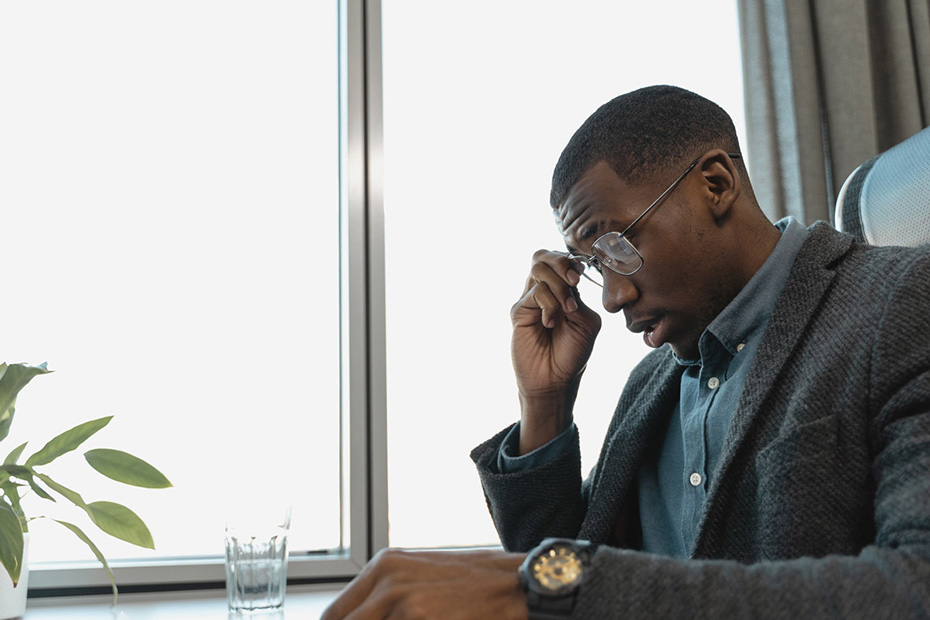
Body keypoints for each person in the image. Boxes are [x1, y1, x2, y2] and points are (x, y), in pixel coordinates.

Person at [323, 85, 930, 619]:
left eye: (615, 246)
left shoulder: (902, 302)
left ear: (715, 184)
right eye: (594, 266)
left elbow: (914, 587)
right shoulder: (649, 383)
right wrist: (546, 403)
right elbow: (562, 558)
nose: (612, 298)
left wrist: (551, 591)